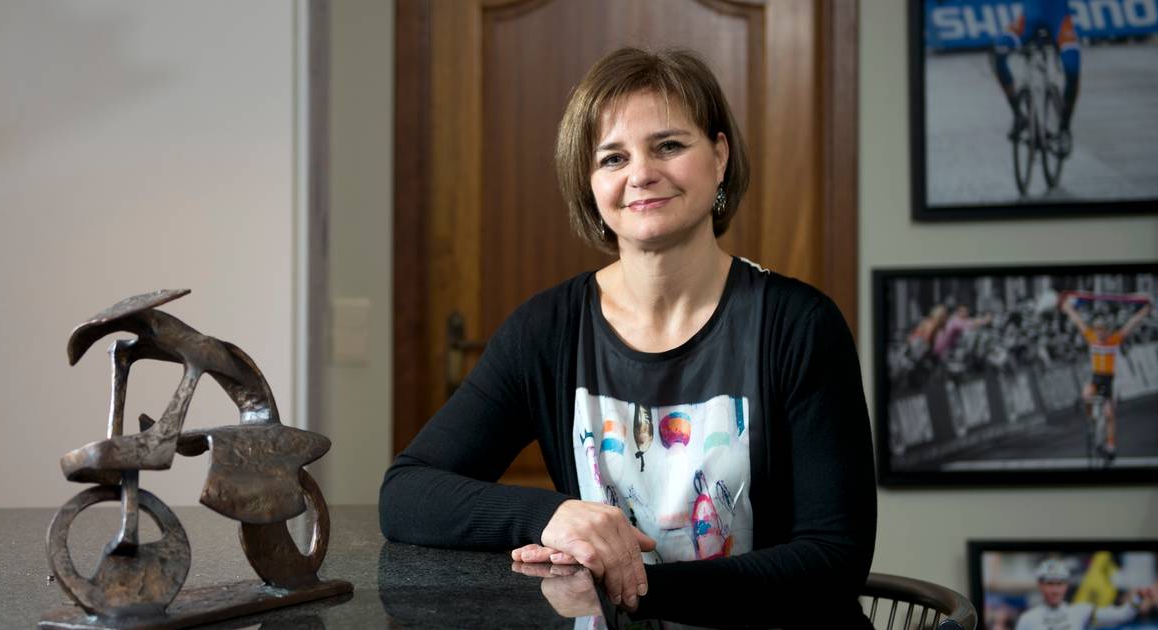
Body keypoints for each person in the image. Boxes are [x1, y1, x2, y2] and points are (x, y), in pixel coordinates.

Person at [379, 47, 876, 629]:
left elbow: (833, 560)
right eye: (613, 157)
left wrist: (631, 589)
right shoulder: (548, 331)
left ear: (719, 156)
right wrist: (554, 515)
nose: (641, 173)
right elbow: (407, 493)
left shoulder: (799, 325)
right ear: (590, 185)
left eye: (669, 145)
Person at [1060, 294, 1152, 460]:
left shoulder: (1114, 339)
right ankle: (1090, 420)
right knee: (1086, 394)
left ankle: (1110, 445)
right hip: (1096, 378)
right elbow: (1077, 321)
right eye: (1097, 329)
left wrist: (1145, 310)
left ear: (1107, 330)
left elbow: (1132, 324)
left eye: (1103, 329)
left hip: (1109, 381)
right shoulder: (1091, 338)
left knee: (1109, 415)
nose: (1100, 332)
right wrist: (1067, 308)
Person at [992, 0, 1081, 156]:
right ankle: (1019, 116)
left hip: (1059, 21)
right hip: (1027, 22)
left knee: (1072, 69)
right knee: (998, 52)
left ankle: (1064, 129)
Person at [1015, 559, 1154, 629]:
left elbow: (1123, 615)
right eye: (1050, 584)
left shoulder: (1081, 611)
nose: (1055, 590)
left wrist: (1138, 597)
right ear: (1040, 585)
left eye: (1060, 584)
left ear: (1066, 585)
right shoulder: (1027, 619)